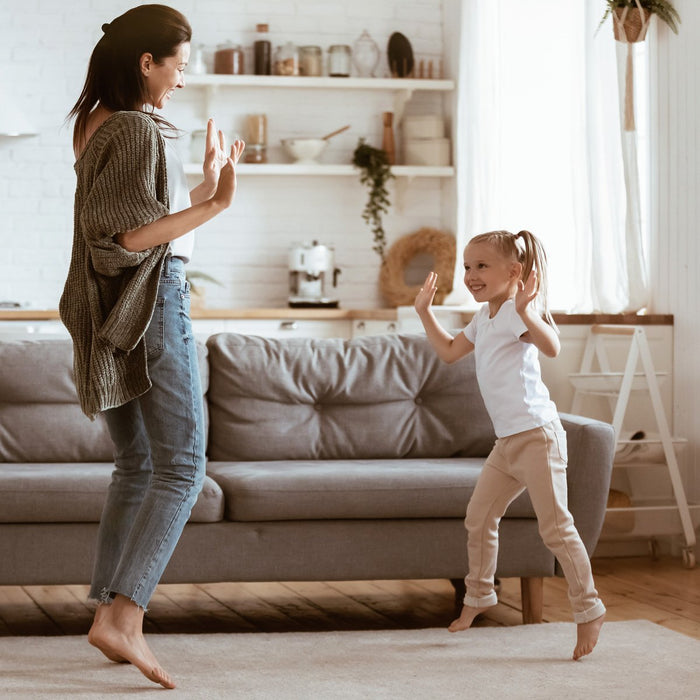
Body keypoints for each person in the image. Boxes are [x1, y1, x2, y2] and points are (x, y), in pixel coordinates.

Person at [59, 4, 245, 689]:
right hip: (153, 300)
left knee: (136, 464)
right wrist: (218, 204)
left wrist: (200, 185)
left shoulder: (95, 124)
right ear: (149, 62)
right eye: (181, 66)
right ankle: (124, 617)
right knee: (182, 467)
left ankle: (107, 607)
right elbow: (127, 243)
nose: (184, 81)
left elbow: (138, 215)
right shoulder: (137, 128)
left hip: (114, 308)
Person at [414, 230, 606, 661]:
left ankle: (589, 607)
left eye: (481, 265)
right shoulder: (484, 318)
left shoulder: (520, 313)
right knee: (479, 517)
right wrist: (425, 312)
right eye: (467, 266)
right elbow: (447, 352)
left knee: (556, 529)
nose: (471, 274)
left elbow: (552, 347)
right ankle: (479, 596)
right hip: (507, 444)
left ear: (514, 271)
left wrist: (526, 310)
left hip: (538, 436)